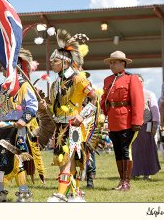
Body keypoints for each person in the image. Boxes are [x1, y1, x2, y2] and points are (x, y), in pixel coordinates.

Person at [0, 48, 45, 202]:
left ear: (14, 67)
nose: (2, 68)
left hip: (19, 130)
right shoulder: (3, 88)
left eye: (5, 65)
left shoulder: (24, 86)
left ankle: (23, 193)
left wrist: (23, 120)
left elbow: (32, 107)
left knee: (18, 161)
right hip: (3, 129)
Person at [43, 30, 97, 202]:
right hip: (60, 127)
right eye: (52, 61)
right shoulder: (55, 83)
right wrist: (46, 106)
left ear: (66, 62)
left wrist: (81, 116)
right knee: (62, 161)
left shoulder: (79, 79)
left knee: (67, 160)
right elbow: (54, 109)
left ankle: (61, 193)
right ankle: (74, 193)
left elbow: (94, 99)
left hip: (74, 126)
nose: (52, 63)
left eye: (56, 61)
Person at [100, 51, 144, 191]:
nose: (111, 65)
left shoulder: (132, 79)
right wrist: (103, 113)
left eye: (114, 62)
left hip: (126, 119)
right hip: (113, 120)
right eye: (110, 62)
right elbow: (104, 99)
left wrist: (137, 121)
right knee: (118, 151)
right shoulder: (108, 80)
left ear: (123, 63)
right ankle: (121, 180)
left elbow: (138, 101)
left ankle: (126, 182)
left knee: (126, 150)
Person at [131, 74, 161, 179]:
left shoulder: (149, 94)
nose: (138, 83)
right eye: (136, 81)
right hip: (133, 128)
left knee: (147, 150)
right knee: (134, 151)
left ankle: (147, 174)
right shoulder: (130, 94)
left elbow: (155, 112)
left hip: (146, 126)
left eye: (140, 81)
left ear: (143, 82)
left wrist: (154, 126)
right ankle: (135, 172)